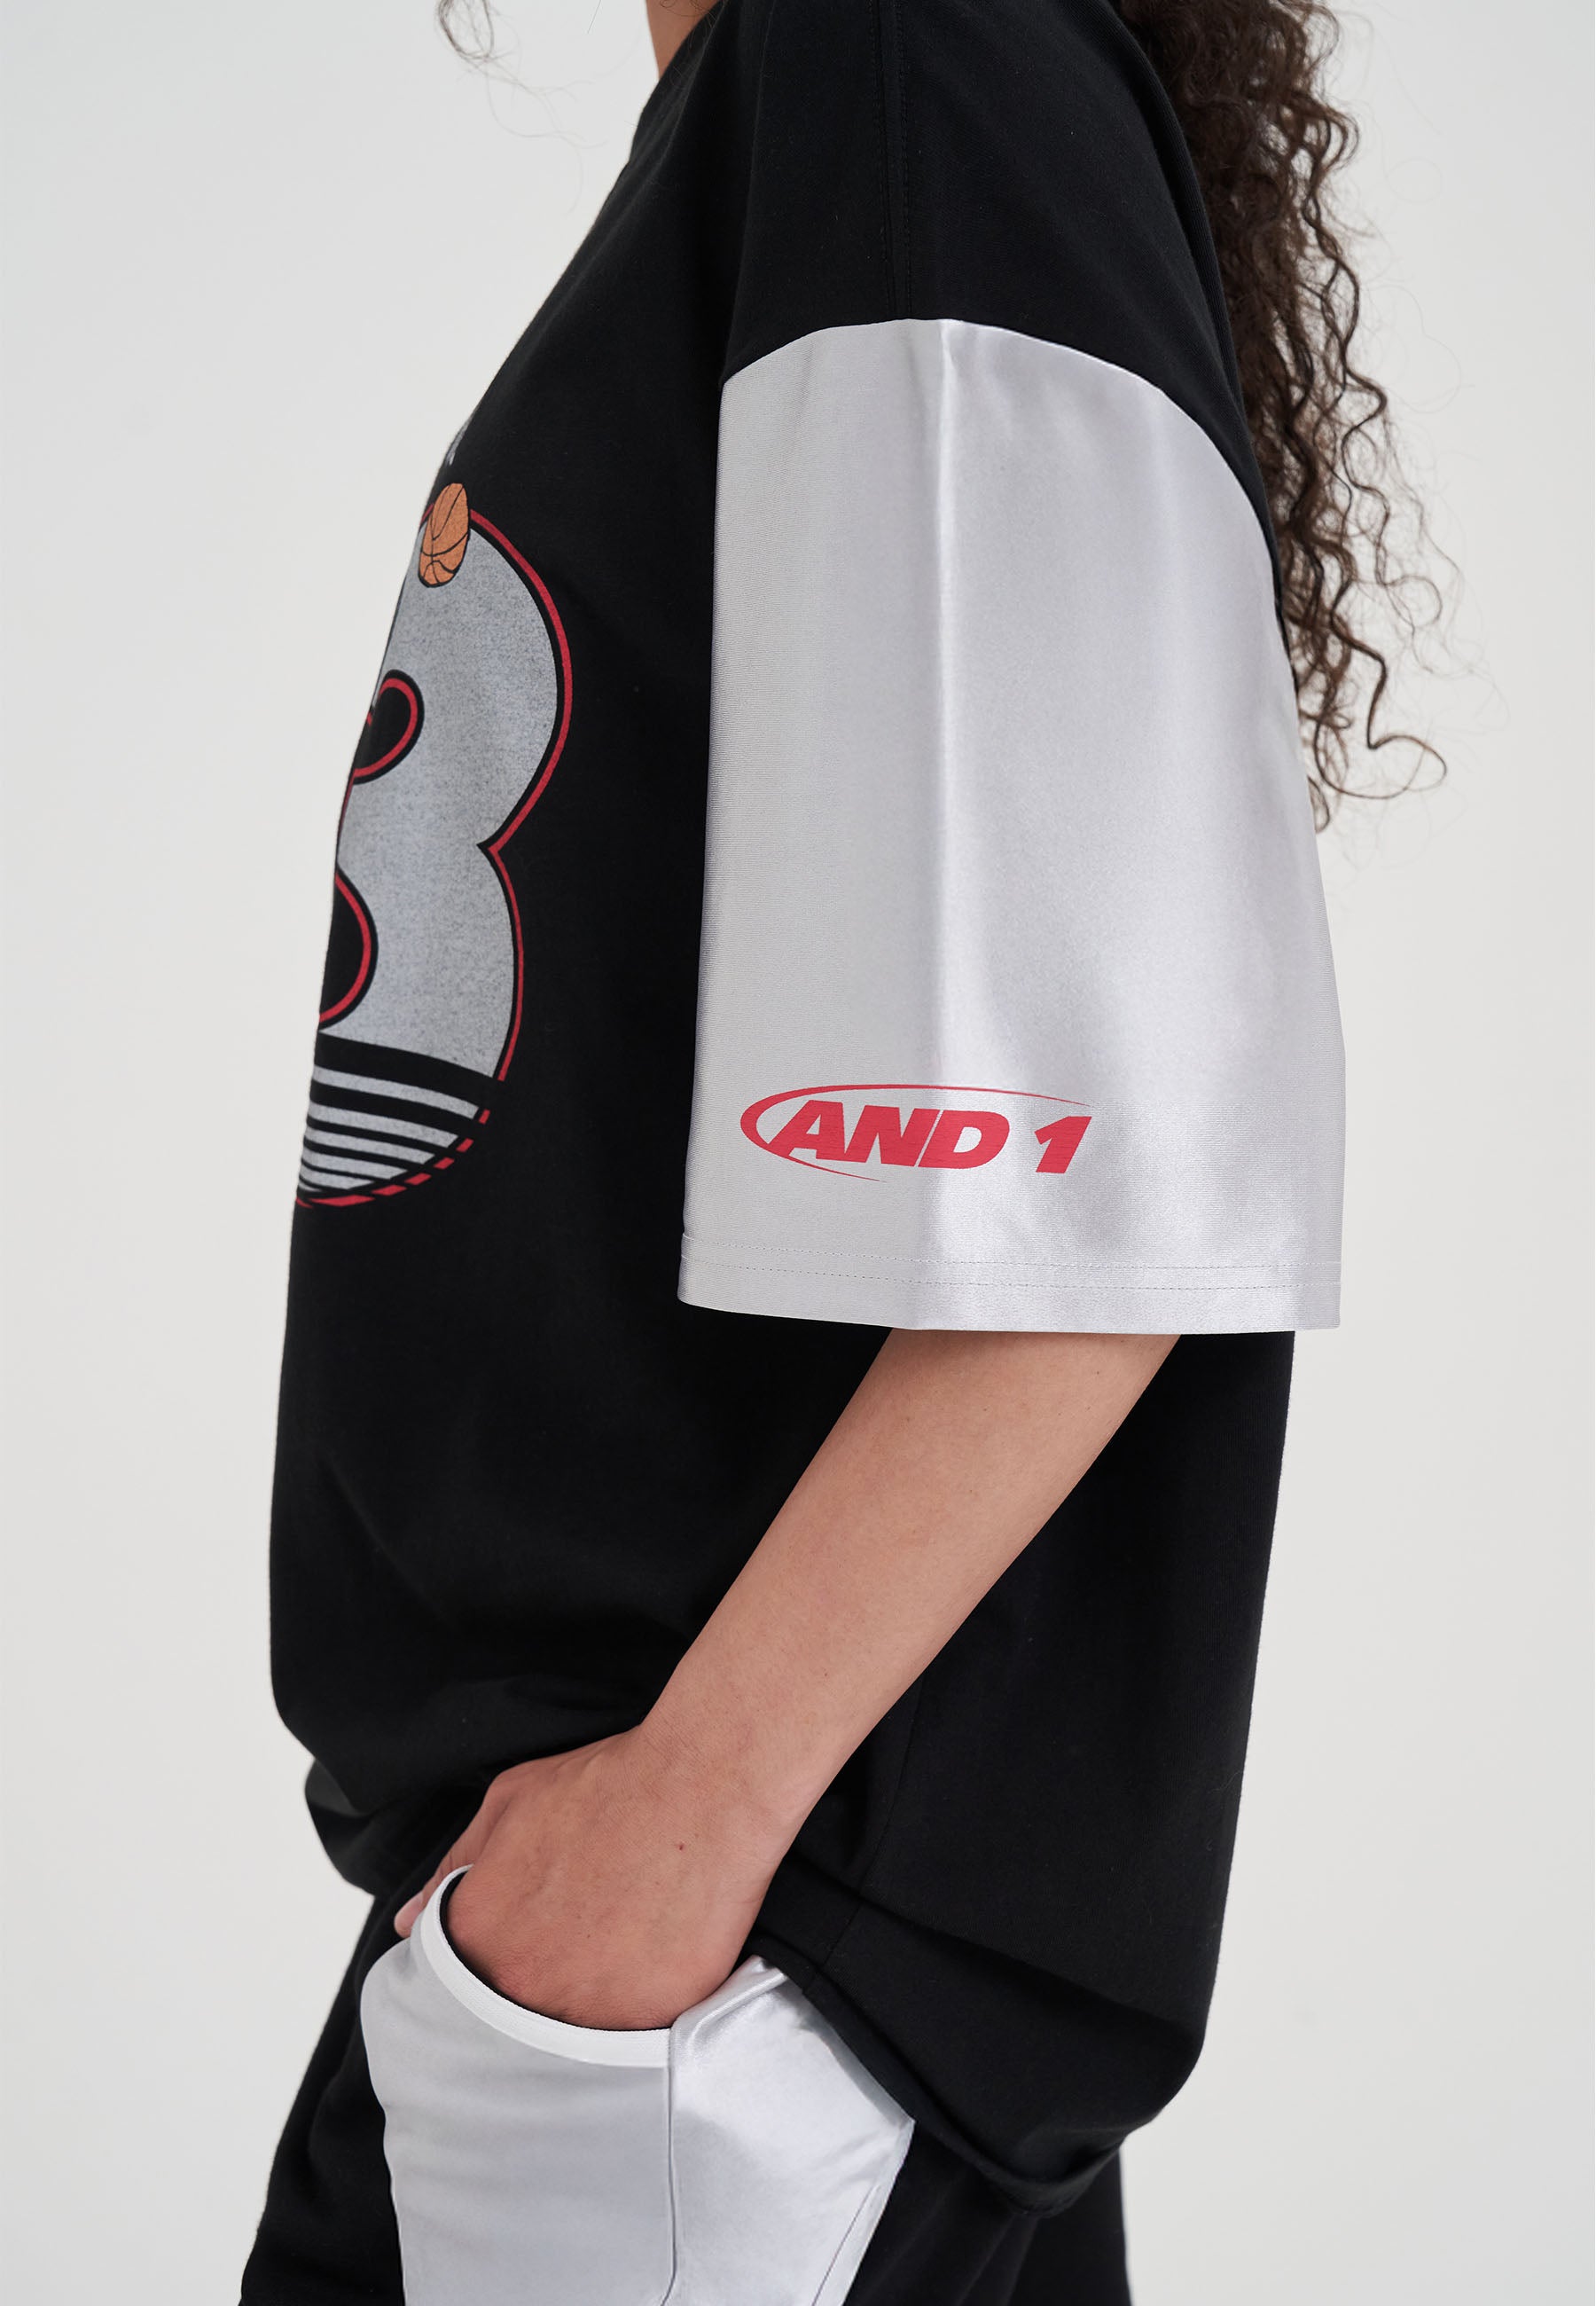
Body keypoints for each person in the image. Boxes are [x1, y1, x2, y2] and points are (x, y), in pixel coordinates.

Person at [242, 0, 1434, 2298]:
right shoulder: (844, 98)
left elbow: (1092, 1173)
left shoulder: (903, 65)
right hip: (688, 1969)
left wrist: (684, 1827)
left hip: (709, 1995)